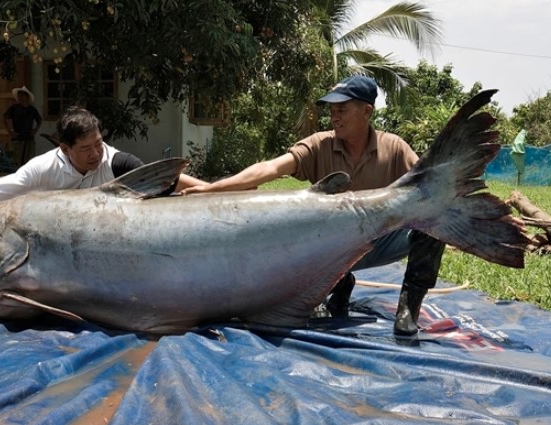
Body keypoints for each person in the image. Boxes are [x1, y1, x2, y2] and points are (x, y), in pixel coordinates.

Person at [181, 75, 446, 336]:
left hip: (379, 241)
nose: (335, 117)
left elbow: (428, 185)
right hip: (326, 250)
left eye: (342, 109)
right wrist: (211, 188)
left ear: (367, 111)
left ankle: (408, 309)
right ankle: (336, 283)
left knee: (432, 219)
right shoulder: (320, 145)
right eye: (332, 111)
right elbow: (271, 168)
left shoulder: (395, 147)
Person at [0, 106, 207, 224]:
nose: (96, 153)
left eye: (99, 144)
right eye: (86, 148)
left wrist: (214, 189)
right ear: (64, 149)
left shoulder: (116, 162)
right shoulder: (41, 170)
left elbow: (167, 179)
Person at [4, 86, 43, 166]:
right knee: (16, 161)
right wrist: (10, 131)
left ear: (26, 97)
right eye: (19, 96)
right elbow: (5, 119)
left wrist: (35, 130)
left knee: (29, 161)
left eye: (22, 95)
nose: (20, 98)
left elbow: (39, 120)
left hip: (29, 138)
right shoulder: (14, 108)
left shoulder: (32, 109)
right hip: (17, 138)